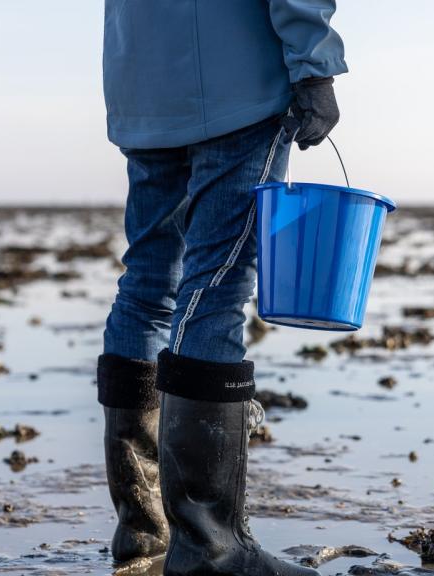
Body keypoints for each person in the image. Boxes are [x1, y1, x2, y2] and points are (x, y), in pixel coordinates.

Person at [97, 1, 347, 574]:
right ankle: (211, 548)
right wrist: (316, 65)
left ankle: (144, 536)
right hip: (238, 86)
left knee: (147, 284)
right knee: (218, 284)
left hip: (141, 86)